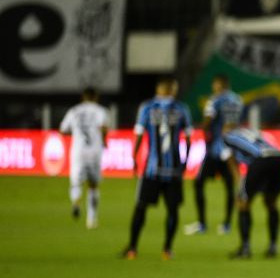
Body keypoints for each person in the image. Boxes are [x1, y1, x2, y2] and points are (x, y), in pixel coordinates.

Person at [123, 78, 192, 260]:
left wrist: (134, 157)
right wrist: (184, 161)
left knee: (141, 207)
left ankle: (132, 248)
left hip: (152, 169)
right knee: (173, 210)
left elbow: (138, 134)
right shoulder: (181, 109)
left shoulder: (146, 107)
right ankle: (167, 250)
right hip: (174, 170)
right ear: (170, 88)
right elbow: (189, 139)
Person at [186, 74, 243, 236]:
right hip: (232, 147)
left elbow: (208, 121)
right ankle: (226, 224)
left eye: (215, 85)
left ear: (219, 85)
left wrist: (205, 131)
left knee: (198, 183)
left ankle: (202, 223)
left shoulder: (214, 100)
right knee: (229, 186)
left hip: (216, 149)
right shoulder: (238, 100)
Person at [224, 127, 280, 259]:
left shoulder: (227, 138)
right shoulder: (249, 131)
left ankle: (245, 248)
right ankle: (273, 246)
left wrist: (240, 184)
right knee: (271, 202)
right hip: (279, 158)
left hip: (261, 160)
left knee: (243, 203)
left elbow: (230, 160)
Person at [59, 88, 109, 229]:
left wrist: (75, 133)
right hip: (95, 151)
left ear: (83, 97)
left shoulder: (74, 111)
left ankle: (76, 201)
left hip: (78, 151)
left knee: (76, 183)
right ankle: (91, 219)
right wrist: (104, 140)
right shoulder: (100, 111)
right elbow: (104, 127)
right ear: (96, 96)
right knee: (93, 185)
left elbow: (63, 129)